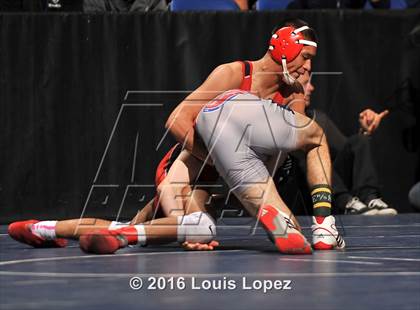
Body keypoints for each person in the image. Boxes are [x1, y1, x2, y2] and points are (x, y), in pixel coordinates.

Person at [297, 71, 397, 215]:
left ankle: (369, 197)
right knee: (310, 154)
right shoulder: (279, 119)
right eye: (306, 83)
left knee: (359, 141)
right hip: (302, 193)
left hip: (330, 185)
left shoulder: (317, 118)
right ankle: (346, 203)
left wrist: (364, 131)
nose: (312, 88)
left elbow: (346, 151)